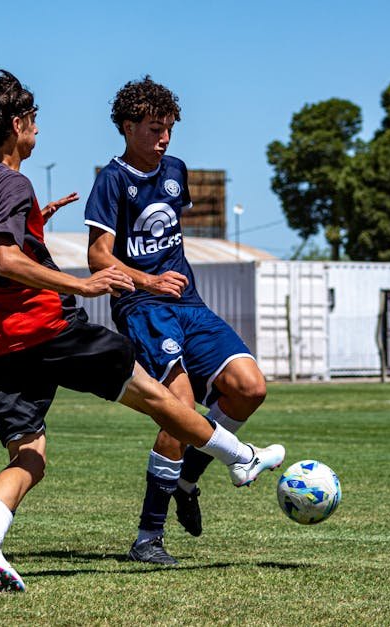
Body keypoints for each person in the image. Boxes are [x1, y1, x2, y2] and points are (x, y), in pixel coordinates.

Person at [0, 70, 284, 592]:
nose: (37, 132)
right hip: (47, 327)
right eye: (33, 123)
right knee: (160, 399)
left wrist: (32, 226)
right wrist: (83, 282)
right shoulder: (13, 181)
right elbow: (5, 261)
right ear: (16, 124)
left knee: (30, 456)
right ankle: (243, 458)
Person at [84, 76, 277, 565]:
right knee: (180, 406)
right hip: (143, 308)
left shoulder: (175, 170)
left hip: (188, 304)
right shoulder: (112, 179)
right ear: (128, 128)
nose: (163, 138)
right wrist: (148, 283)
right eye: (153, 128)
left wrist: (171, 282)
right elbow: (97, 257)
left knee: (249, 387)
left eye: (168, 128)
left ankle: (188, 478)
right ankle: (148, 536)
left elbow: (169, 237)